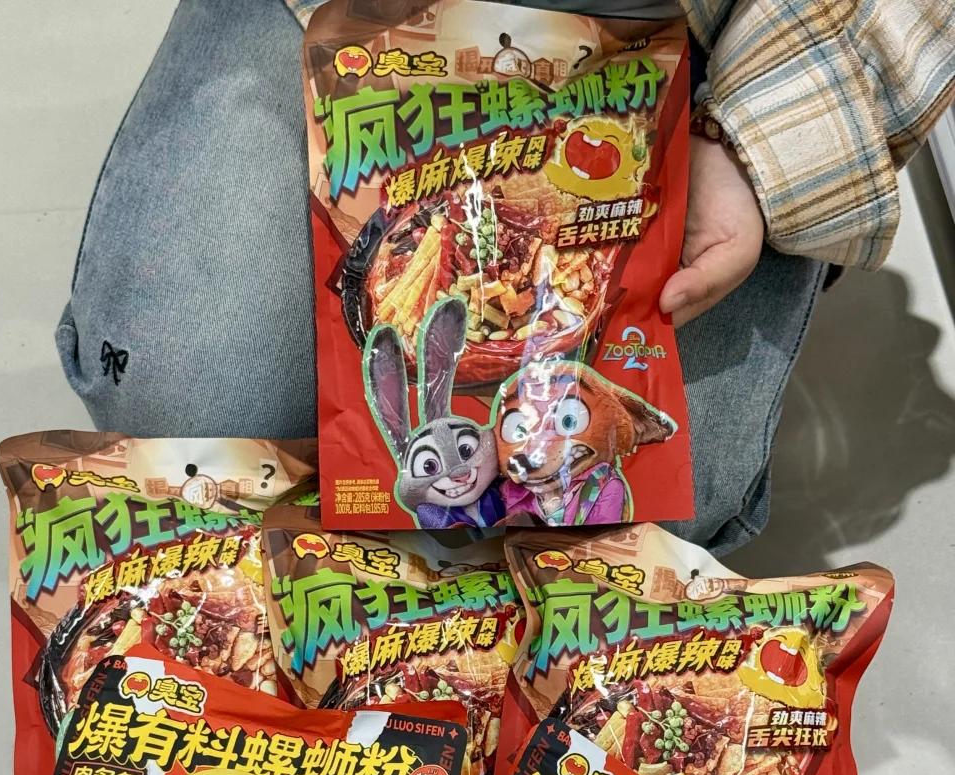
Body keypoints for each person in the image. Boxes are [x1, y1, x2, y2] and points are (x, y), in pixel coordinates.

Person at [54, 0, 955, 555]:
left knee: (640, 513)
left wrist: (754, 147)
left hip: (693, 34)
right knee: (189, 413)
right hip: (349, 22)